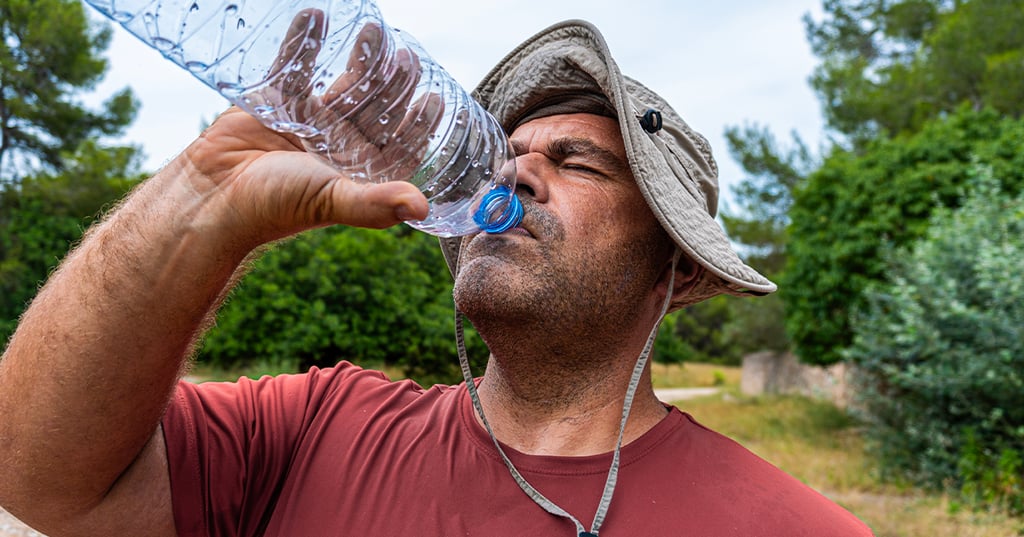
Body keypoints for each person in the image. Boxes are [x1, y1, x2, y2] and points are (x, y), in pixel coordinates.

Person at [0, 19, 873, 537]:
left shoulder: (792, 527)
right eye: (509, 153)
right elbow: (29, 479)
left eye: (580, 164)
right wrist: (203, 196)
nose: (516, 174)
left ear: (677, 269)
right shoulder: (310, 430)